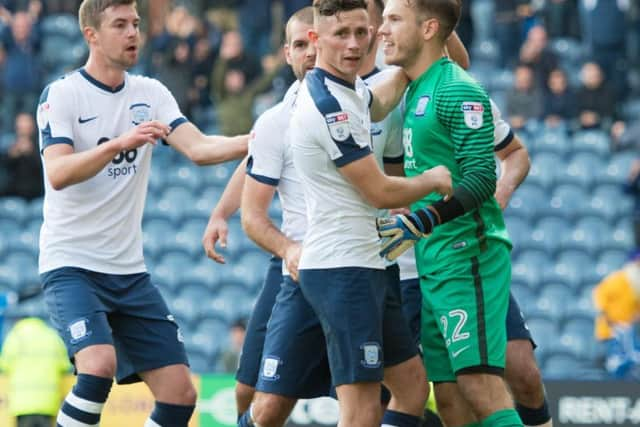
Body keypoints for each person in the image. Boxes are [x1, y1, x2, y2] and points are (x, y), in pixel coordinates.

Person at [36, 1, 248, 426]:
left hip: (128, 272)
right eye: (120, 25)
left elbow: (201, 149)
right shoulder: (62, 94)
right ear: (91, 35)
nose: (133, 32)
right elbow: (57, 172)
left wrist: (260, 137)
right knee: (97, 366)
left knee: (180, 394)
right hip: (71, 264)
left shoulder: (150, 93)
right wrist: (118, 143)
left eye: (135, 23)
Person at [289, 1, 454, 426]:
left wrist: (422, 52)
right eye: (341, 34)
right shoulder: (327, 106)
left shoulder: (352, 89)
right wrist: (433, 179)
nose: (354, 44)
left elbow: (377, 102)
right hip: (342, 270)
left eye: (362, 33)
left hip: (372, 263)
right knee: (361, 411)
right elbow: (380, 191)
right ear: (315, 39)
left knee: (413, 386)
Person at [378, 0, 524, 425]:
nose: (381, 30)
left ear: (427, 29)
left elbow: (481, 179)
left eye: (393, 19)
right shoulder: (416, 87)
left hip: (468, 256)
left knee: (479, 384)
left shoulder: (457, 89)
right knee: (449, 396)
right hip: (434, 258)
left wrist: (424, 219)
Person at [0, 316, 71, 427]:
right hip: (48, 402)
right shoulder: (52, 336)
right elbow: (65, 366)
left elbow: (4, 365)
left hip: (21, 404)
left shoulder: (15, 337)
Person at [593, 251, 640, 380]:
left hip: (626, 332)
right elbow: (600, 297)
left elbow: (636, 308)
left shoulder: (636, 284)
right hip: (610, 331)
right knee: (612, 365)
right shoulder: (617, 279)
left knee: (627, 367)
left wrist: (632, 320)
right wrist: (611, 321)